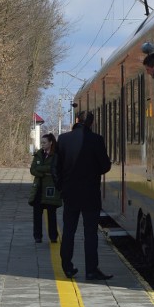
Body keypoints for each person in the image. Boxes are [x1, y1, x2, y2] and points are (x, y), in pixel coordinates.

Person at [53, 111, 113, 280]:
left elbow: (55, 168)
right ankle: (91, 270)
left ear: (77, 120)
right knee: (90, 233)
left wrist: (61, 187)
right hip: (90, 194)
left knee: (69, 231)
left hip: (70, 194)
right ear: (91, 123)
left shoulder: (63, 139)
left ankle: (67, 267)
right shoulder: (96, 140)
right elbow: (105, 166)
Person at [29, 133, 62, 243]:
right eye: (41, 142)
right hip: (38, 187)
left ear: (51, 142)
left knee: (51, 214)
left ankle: (53, 237)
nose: (42, 144)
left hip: (51, 189)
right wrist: (44, 172)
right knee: (37, 214)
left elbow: (54, 168)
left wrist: (41, 169)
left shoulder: (56, 155)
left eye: (44, 142)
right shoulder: (39, 154)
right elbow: (33, 169)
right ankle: (37, 236)